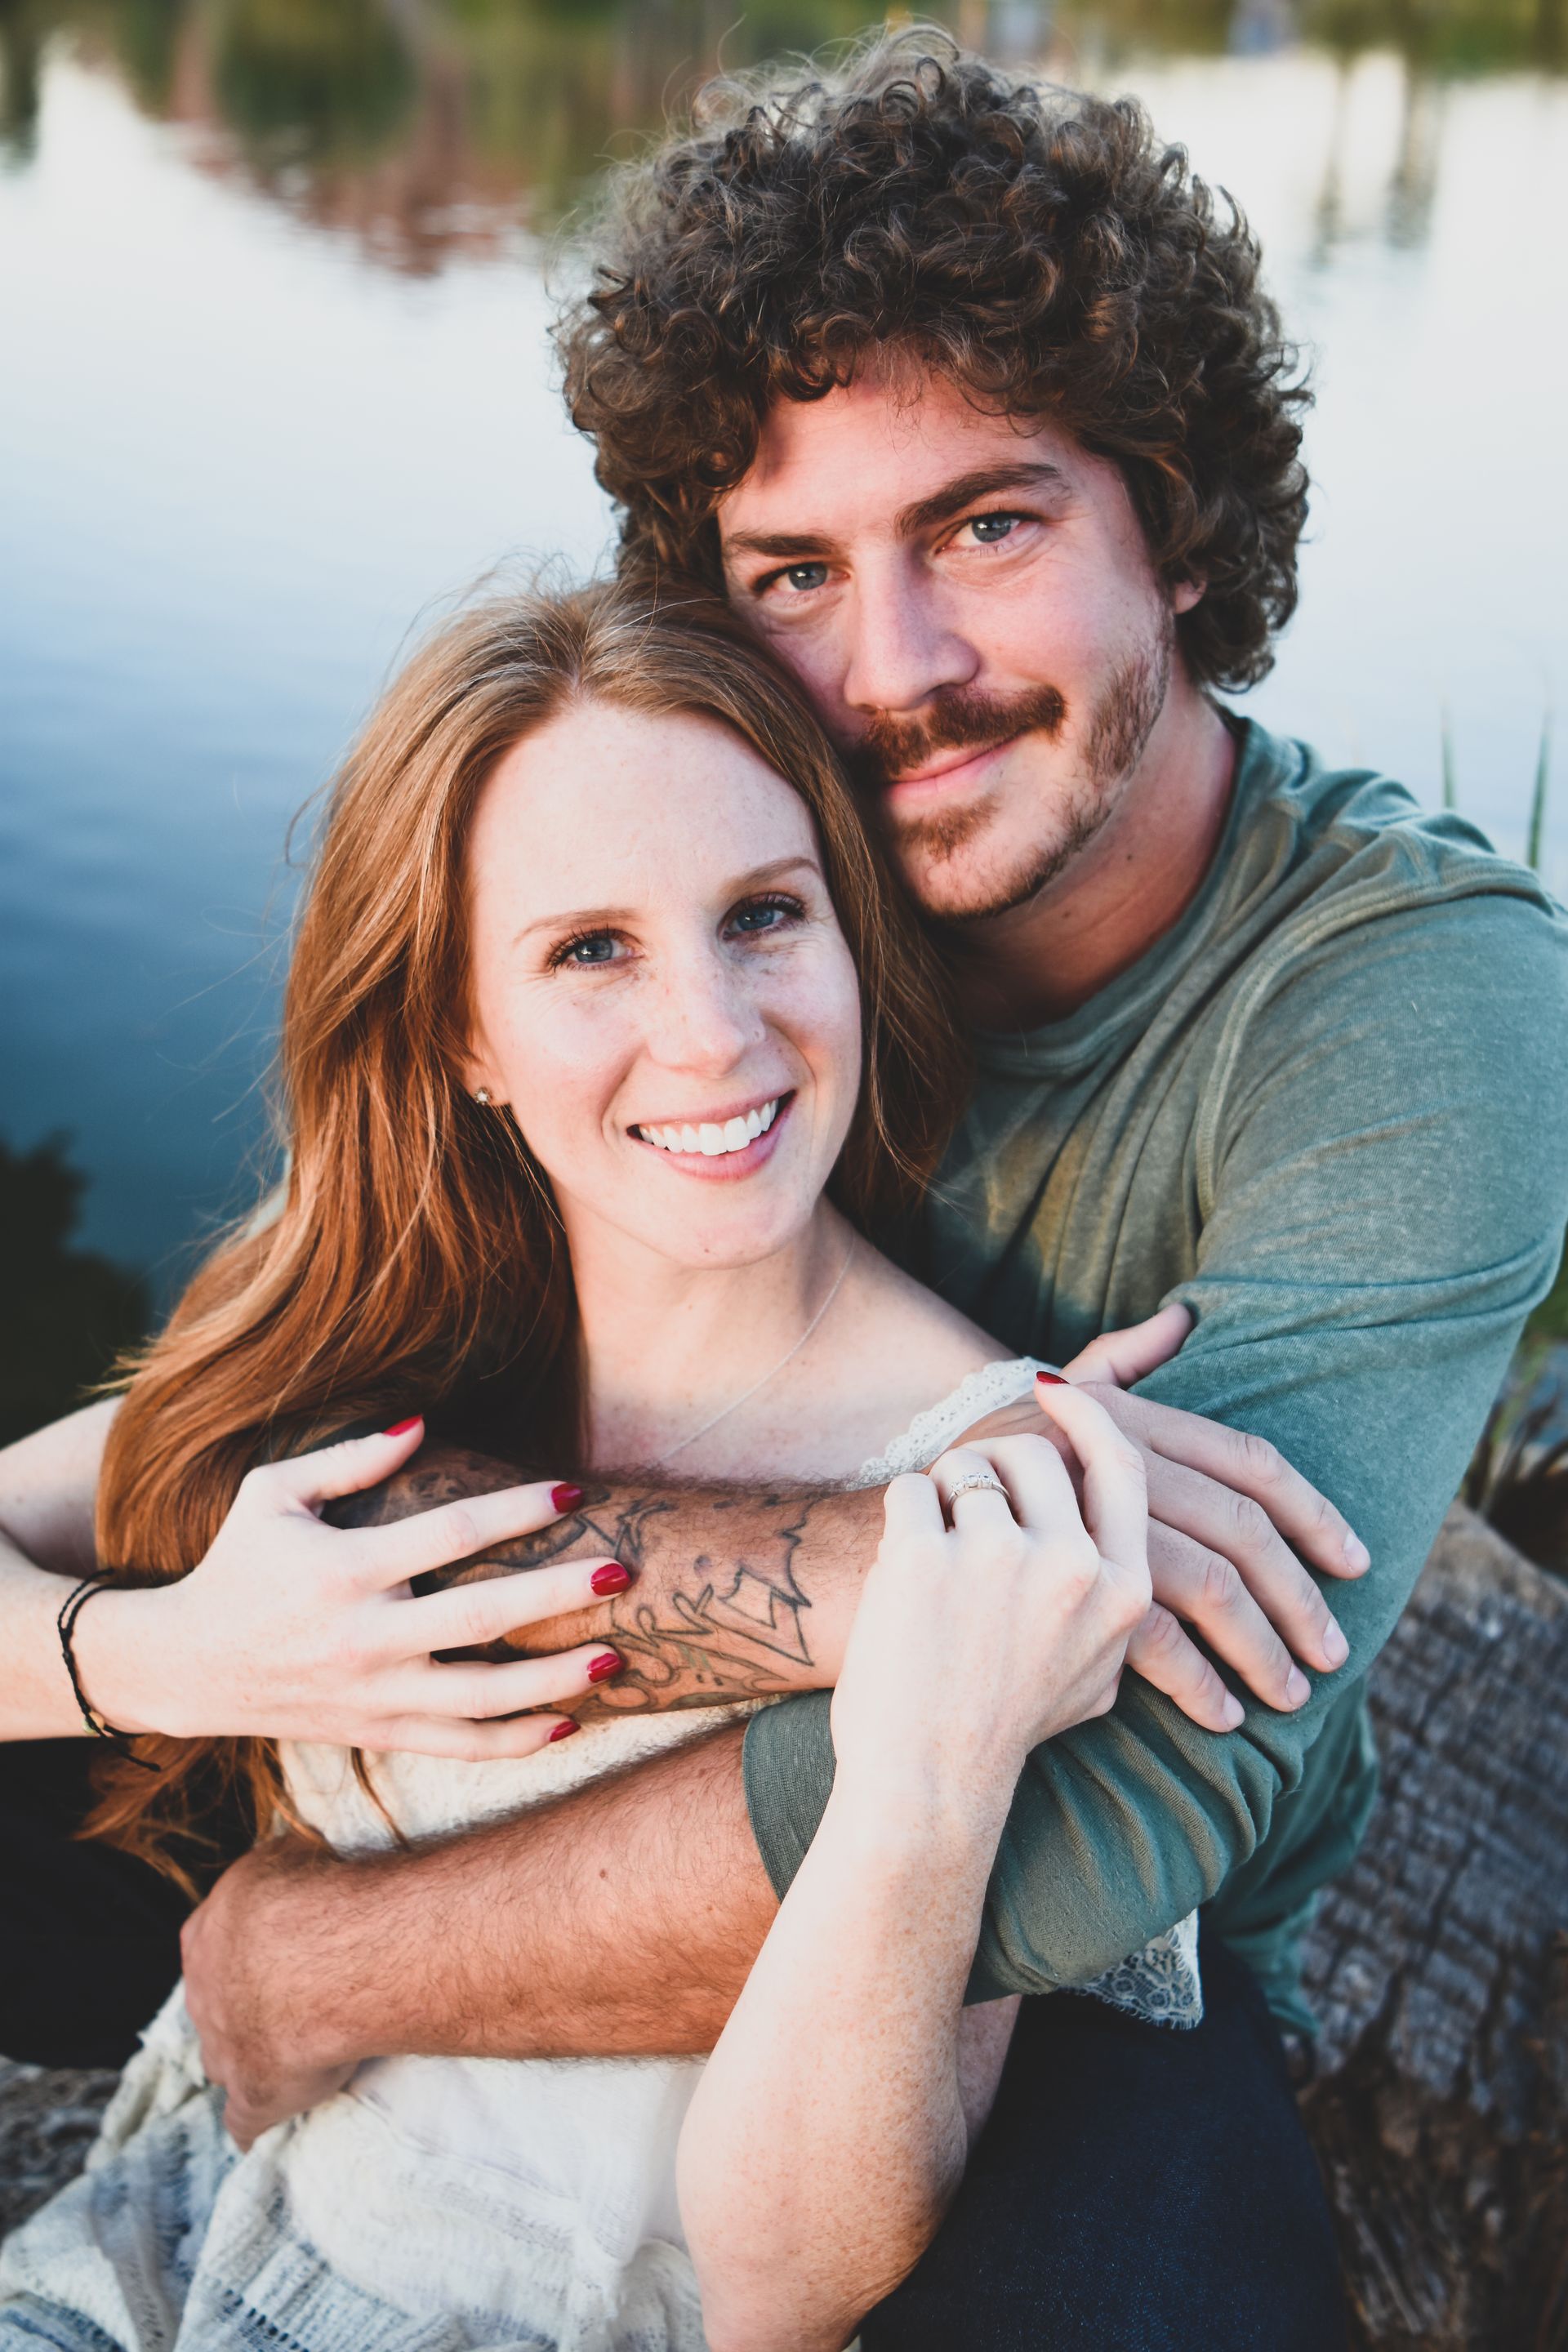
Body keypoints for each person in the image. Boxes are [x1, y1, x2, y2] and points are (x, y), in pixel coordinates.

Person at [4, 30, 1566, 2347]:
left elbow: (1124, 1795)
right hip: (566, 1740)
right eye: (793, 573)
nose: (898, 670)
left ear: (1179, 517)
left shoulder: (1418, 1006)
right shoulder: (726, 900)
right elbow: (180, 1456)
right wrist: (166, 1646)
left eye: (989, 525)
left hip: (1028, 1971)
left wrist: (312, 1955)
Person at [4, 578, 1224, 2350]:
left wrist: (923, 1772)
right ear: (464, 1037)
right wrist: (179, 1652)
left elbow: (797, 2285)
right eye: (591, 950)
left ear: (850, 939)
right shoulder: (393, 1336)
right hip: (193, 2236)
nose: (713, 1033)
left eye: (761, 917)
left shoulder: (989, 1494)